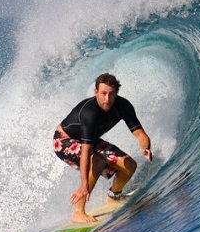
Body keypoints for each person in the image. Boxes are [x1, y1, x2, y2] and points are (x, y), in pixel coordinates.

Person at [53, 73, 152, 224]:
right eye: (103, 93)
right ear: (96, 92)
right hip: (64, 140)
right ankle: (78, 212)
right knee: (98, 161)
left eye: (111, 94)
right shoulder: (90, 112)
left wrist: (146, 147)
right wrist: (84, 185)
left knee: (129, 165)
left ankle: (114, 196)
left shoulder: (123, 106)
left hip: (90, 141)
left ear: (116, 94)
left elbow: (140, 134)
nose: (107, 99)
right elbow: (86, 152)